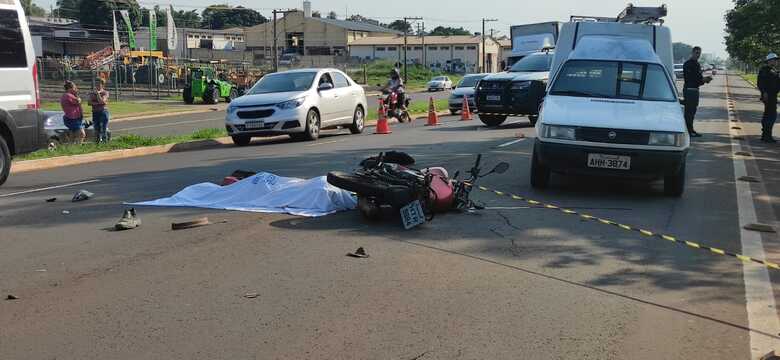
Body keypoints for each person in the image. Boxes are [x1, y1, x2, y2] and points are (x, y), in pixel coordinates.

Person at [682, 46, 713, 137]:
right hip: (690, 90)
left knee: (692, 111)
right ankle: (688, 131)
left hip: (694, 90)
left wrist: (704, 79)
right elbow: (694, 79)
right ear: (692, 53)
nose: (698, 55)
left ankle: (690, 130)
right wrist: (704, 79)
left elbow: (698, 79)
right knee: (689, 112)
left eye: (699, 53)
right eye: (696, 53)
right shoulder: (688, 64)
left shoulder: (696, 64)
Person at [757, 53, 780, 143]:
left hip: (772, 95)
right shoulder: (765, 70)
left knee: (769, 115)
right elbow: (760, 83)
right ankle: (767, 136)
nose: (776, 61)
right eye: (774, 60)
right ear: (769, 61)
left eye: (776, 60)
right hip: (768, 96)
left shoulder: (773, 70)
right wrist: (764, 92)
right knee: (771, 116)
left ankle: (766, 135)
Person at [89, 78, 110, 143]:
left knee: (103, 128)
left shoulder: (105, 92)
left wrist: (98, 94)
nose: (97, 85)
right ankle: (97, 143)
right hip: (95, 112)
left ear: (102, 85)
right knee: (96, 129)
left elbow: (102, 101)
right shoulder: (92, 93)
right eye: (96, 84)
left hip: (103, 112)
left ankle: (105, 142)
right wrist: (98, 103)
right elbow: (89, 103)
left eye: (99, 84)